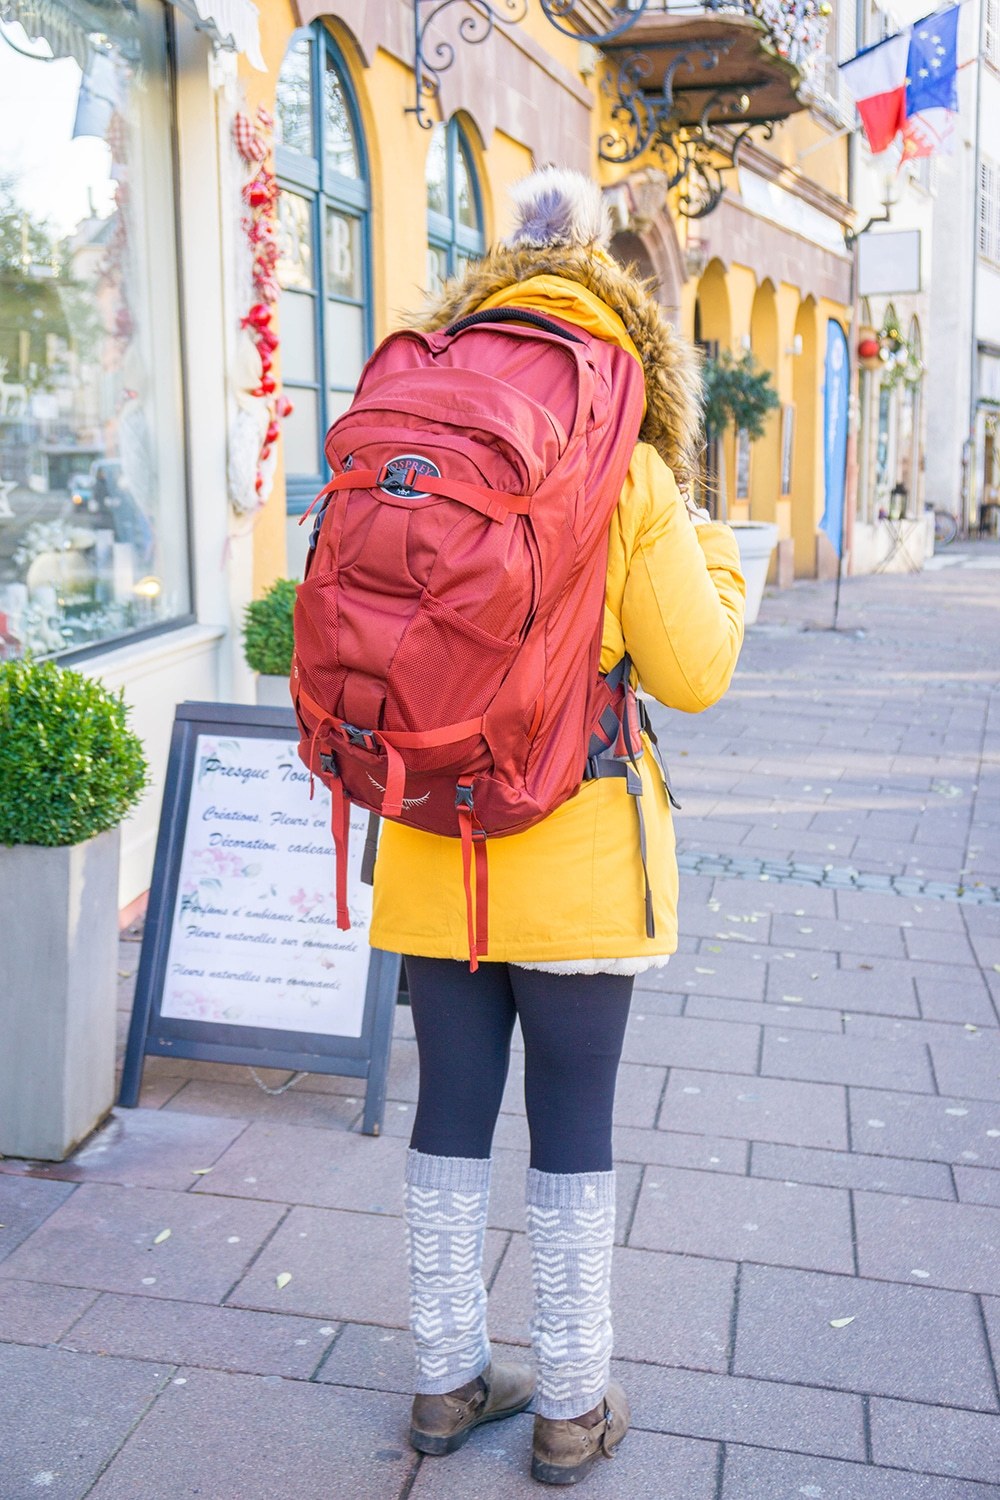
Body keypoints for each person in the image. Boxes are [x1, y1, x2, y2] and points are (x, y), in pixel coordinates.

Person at [368, 167, 746, 1487]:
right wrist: (720, 553)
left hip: (429, 836)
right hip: (576, 848)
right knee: (571, 1122)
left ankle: (442, 1379)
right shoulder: (626, 458)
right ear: (614, 297)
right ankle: (574, 1407)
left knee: (450, 1112)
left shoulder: (422, 417)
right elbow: (692, 673)